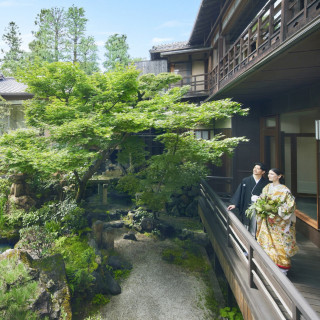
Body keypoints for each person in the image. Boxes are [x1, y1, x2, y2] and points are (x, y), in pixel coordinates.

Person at [256, 168, 299, 275]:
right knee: (267, 241)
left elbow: (290, 206)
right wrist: (261, 205)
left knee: (280, 243)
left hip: (280, 222)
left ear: (279, 176)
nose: (269, 175)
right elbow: (262, 199)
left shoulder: (285, 190)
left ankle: (282, 267)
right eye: (269, 174)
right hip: (268, 221)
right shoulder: (267, 187)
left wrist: (276, 209)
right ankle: (268, 264)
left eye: (272, 174)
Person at [227, 162, 268, 236]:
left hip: (260, 207)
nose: (255, 170)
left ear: (263, 172)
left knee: (258, 223)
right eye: (254, 168)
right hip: (247, 204)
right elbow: (240, 192)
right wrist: (235, 204)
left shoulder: (266, 183)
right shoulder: (246, 180)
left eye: (258, 169)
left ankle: (257, 240)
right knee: (247, 222)